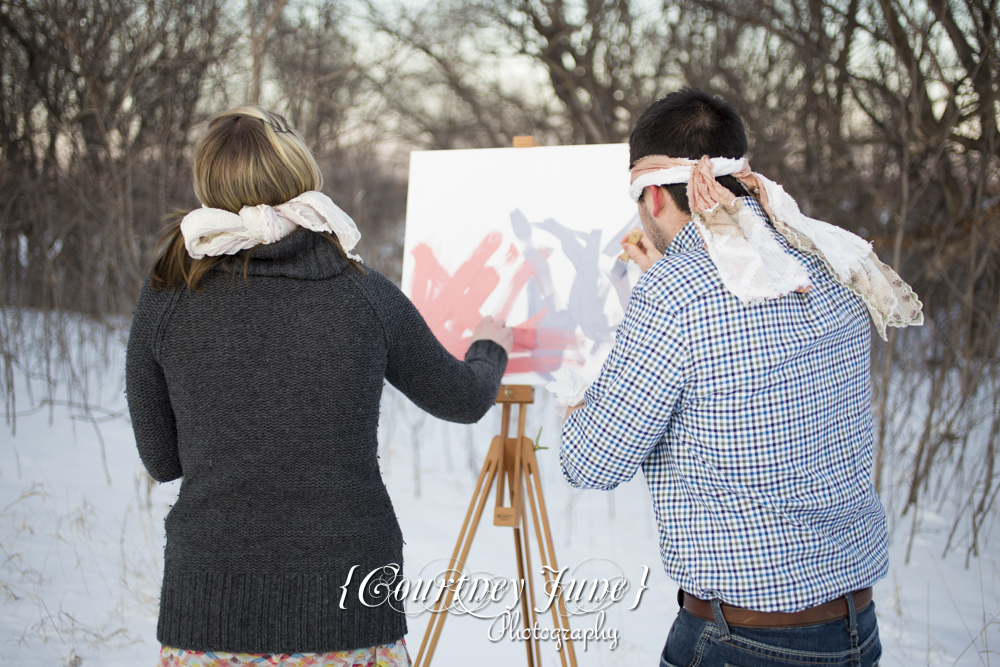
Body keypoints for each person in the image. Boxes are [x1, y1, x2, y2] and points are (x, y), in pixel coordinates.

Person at [125, 105, 512, 667]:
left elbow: (162, 460)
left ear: (208, 186)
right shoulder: (364, 295)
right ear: (299, 172)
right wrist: (488, 346)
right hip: (351, 609)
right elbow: (464, 398)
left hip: (209, 614)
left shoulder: (167, 298)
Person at [559, 88, 922, 666]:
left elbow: (591, 462)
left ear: (652, 195)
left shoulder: (675, 293)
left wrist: (578, 402)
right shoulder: (827, 254)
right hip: (854, 628)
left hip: (746, 642)